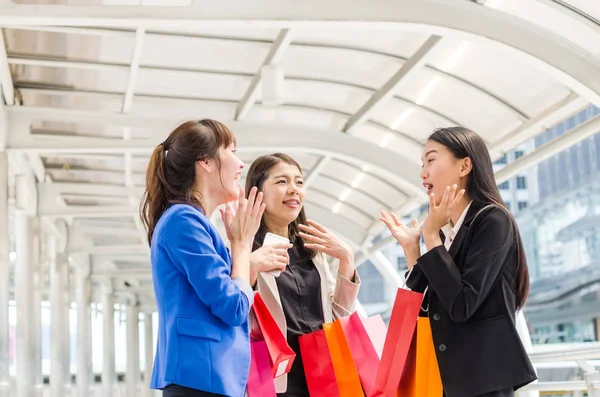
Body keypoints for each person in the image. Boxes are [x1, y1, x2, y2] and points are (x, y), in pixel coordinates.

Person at [380, 127, 537, 397]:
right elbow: (422, 310)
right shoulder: (445, 233)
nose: (423, 173)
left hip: (483, 382)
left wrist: (430, 235)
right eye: (422, 164)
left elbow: (463, 304)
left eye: (431, 160)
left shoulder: (492, 220)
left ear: (464, 165)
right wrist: (412, 251)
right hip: (445, 381)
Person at [140, 120, 279, 397]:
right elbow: (233, 306)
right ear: (205, 161)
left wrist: (246, 260)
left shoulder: (192, 221)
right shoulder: (184, 221)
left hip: (206, 378)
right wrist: (241, 246)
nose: (241, 164)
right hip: (201, 378)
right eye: (232, 151)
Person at [245, 153, 361, 397]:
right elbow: (237, 313)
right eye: (282, 181)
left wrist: (346, 259)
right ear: (257, 193)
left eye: (298, 182)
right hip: (270, 373)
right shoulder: (241, 249)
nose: (293, 189)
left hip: (324, 372)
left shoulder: (312, 252)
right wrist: (250, 266)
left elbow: (338, 317)